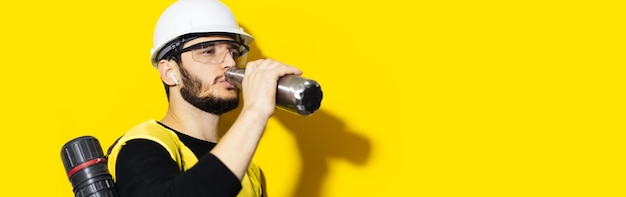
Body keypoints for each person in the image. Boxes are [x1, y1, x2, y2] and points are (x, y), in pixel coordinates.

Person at [106, 0, 301, 196]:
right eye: (208, 51)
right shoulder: (140, 146)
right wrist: (255, 112)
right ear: (168, 72)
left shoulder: (249, 169)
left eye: (233, 52)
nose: (230, 63)